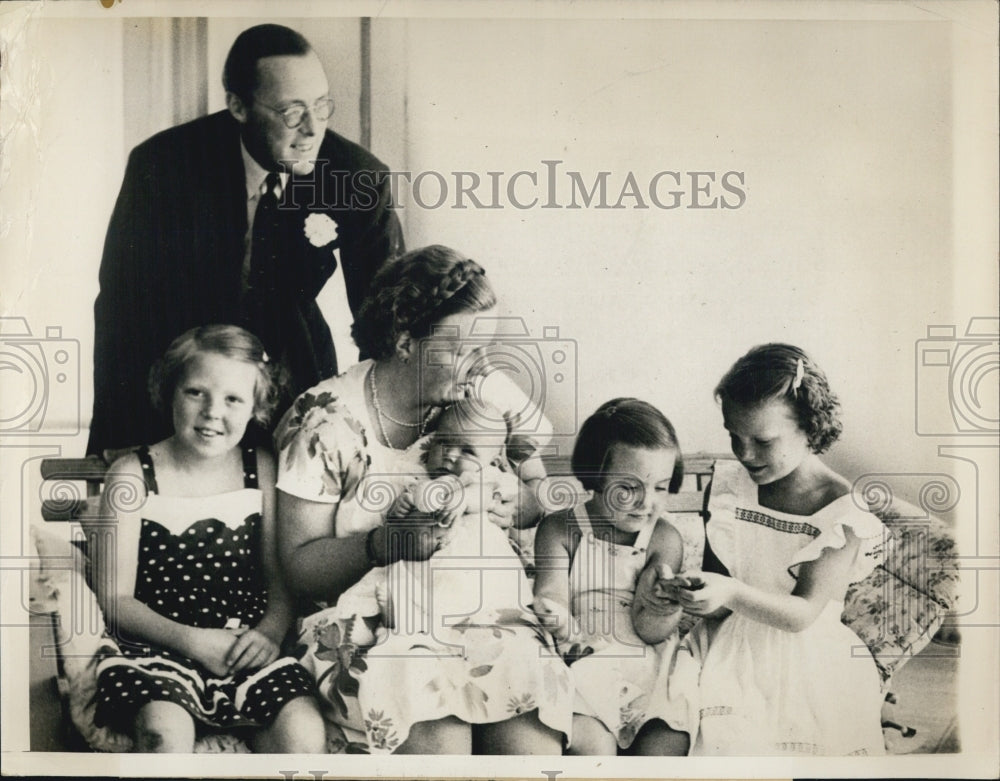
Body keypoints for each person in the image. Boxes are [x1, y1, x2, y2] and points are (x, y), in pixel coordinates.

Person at [275, 245, 570, 754]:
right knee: (436, 732)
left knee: (529, 745)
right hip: (370, 624)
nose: (480, 364)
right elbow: (299, 567)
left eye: (484, 348)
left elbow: (538, 495)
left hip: (481, 609)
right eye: (463, 349)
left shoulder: (486, 392)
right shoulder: (322, 419)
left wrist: (506, 501)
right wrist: (384, 544)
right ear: (405, 341)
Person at [88, 23, 404, 457]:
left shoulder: (356, 176)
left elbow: (388, 314)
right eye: (291, 112)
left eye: (321, 106)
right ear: (238, 106)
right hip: (186, 386)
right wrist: (118, 440)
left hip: (293, 372)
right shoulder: (163, 166)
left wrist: (371, 433)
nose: (312, 129)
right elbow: (121, 308)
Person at [90, 325, 325, 753]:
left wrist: (269, 634)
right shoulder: (131, 476)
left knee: (304, 733)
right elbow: (115, 599)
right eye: (196, 392)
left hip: (244, 646)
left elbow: (280, 579)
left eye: (233, 399)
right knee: (163, 733)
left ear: (256, 406)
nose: (212, 411)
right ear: (169, 392)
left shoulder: (261, 468)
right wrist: (193, 641)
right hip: (158, 649)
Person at [676, 343, 887, 755]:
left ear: (811, 428)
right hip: (728, 642)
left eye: (763, 440)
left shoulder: (841, 510)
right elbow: (719, 592)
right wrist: (696, 593)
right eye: (733, 436)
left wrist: (729, 592)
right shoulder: (728, 488)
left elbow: (802, 613)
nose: (744, 453)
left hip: (806, 655)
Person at [532, 398, 696, 756]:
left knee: (666, 746)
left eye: (660, 487)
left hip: (648, 660)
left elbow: (650, 629)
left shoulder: (664, 537)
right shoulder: (560, 528)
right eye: (629, 488)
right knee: (593, 749)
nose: (646, 502)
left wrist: (664, 605)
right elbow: (552, 591)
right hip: (583, 654)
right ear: (596, 475)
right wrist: (555, 615)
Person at [375, 399, 529, 634]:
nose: (450, 455)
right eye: (443, 442)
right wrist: (401, 507)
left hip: (475, 560)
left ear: (494, 461)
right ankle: (403, 617)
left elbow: (487, 496)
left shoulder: (486, 477)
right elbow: (401, 518)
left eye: (467, 451)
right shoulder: (419, 478)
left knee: (462, 591)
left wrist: (464, 499)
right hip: (428, 559)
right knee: (405, 578)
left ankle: (425, 622)